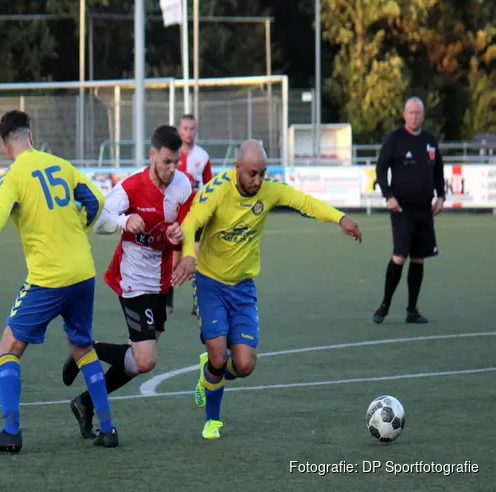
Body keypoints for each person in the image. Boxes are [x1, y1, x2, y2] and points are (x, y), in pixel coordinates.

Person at [171, 140, 362, 440]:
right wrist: (188, 255)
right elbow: (191, 220)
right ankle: (212, 420)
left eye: (262, 173)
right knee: (220, 357)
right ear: (237, 169)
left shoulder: (268, 190)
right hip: (210, 283)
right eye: (252, 174)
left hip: (243, 287)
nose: (258, 180)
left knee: (244, 365)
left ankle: (209, 373)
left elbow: (305, 203)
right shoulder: (218, 189)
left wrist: (340, 218)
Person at [0, 110, 118, 454]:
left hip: (49, 279)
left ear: (6, 148)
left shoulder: (13, 176)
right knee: (82, 347)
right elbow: (95, 201)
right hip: (83, 272)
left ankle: (11, 432)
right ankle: (107, 428)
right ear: (30, 137)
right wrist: (79, 225)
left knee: (7, 348)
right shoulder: (61, 164)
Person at [60, 125, 192, 438]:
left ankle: (86, 400)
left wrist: (183, 236)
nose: (172, 169)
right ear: (152, 155)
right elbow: (99, 221)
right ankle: (85, 351)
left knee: (137, 362)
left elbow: (191, 222)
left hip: (161, 283)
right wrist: (123, 221)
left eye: (176, 162)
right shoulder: (131, 188)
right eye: (166, 162)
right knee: (146, 359)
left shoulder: (183, 185)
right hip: (133, 281)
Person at [372, 97, 445, 325]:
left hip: (425, 209)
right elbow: (381, 168)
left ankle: (412, 311)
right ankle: (384, 305)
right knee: (399, 256)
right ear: (404, 114)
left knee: (419, 259)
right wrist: (388, 196)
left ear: (423, 115)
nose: (414, 116)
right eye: (411, 112)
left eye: (418, 113)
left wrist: (441, 196)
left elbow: (438, 171)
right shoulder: (395, 139)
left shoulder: (430, 141)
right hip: (402, 208)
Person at [171, 114, 213, 315]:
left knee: (196, 258)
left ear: (196, 131)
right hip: (174, 213)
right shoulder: (171, 154)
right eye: (185, 128)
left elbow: (209, 187)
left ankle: (198, 301)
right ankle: (166, 300)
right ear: (179, 130)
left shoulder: (202, 157)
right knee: (173, 258)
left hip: (196, 214)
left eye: (192, 129)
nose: (189, 132)